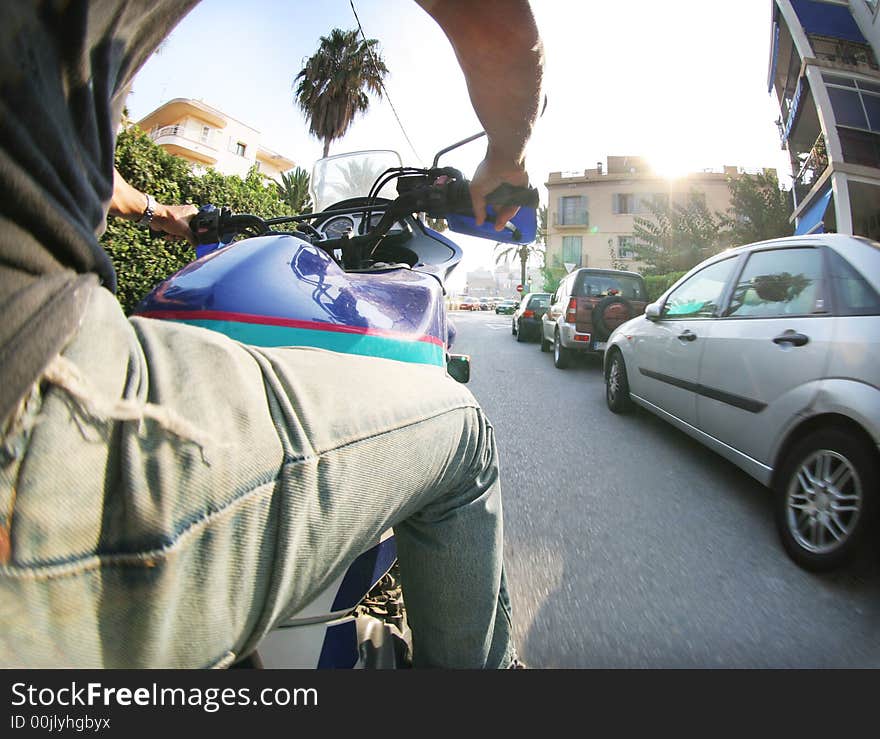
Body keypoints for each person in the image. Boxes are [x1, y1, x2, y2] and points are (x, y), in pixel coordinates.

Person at [0, 0, 544, 668]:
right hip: (33, 423)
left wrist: (156, 207)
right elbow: (491, 16)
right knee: (465, 433)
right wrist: (506, 161)